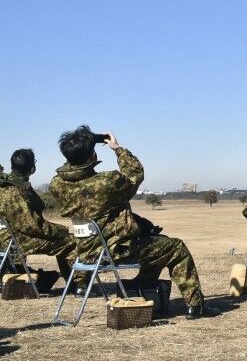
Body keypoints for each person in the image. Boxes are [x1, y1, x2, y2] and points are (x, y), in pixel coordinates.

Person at [48, 126, 219, 319]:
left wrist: (80, 148)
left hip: (87, 252)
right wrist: (117, 148)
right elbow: (135, 172)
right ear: (92, 155)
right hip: (116, 250)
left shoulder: (57, 184)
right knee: (176, 248)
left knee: (158, 243)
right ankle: (196, 305)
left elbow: (72, 168)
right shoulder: (108, 182)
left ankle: (142, 287)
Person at [0, 149, 81, 285]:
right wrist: (60, 230)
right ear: (32, 168)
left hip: (11, 237)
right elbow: (31, 226)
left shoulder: (12, 184)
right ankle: (78, 284)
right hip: (12, 240)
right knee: (70, 242)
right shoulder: (14, 191)